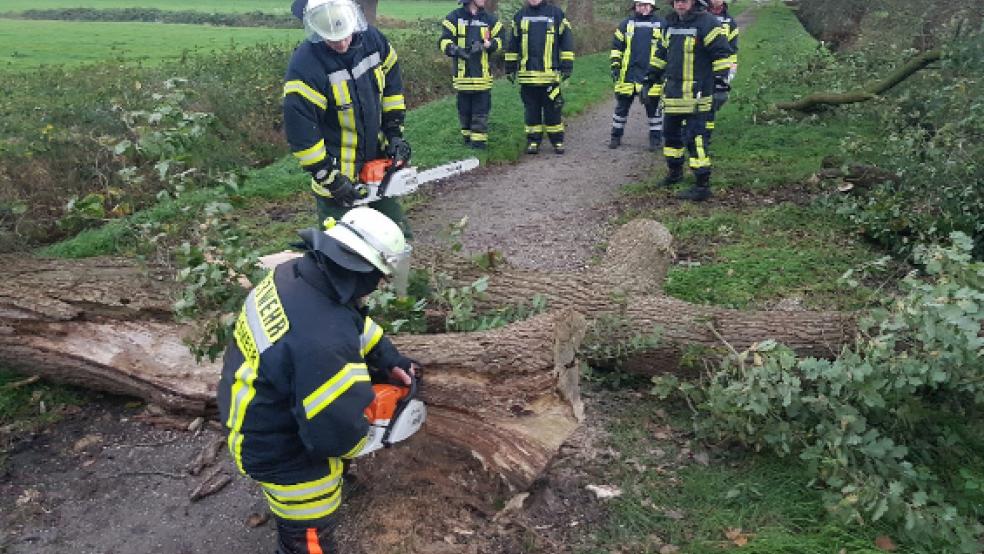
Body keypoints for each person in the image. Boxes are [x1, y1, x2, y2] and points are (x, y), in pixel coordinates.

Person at [217, 206, 419, 554]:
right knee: (307, 538)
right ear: (364, 271)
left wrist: (388, 358)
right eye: (380, 277)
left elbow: (352, 322)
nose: (379, 285)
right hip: (278, 449)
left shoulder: (296, 277)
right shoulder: (324, 341)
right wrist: (371, 435)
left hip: (249, 403)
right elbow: (333, 432)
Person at [283, 0, 413, 236]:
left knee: (396, 237)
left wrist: (394, 133)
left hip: (378, 166)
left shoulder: (373, 41)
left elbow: (392, 89)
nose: (342, 43)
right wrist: (329, 178)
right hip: (338, 177)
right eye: (333, 39)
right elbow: (302, 134)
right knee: (341, 248)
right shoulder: (305, 67)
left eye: (345, 35)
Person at [648, 0, 732, 201]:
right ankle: (674, 173)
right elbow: (660, 55)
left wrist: (721, 86)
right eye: (677, 1)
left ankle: (702, 184)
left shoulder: (707, 22)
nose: (680, 5)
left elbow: (721, 55)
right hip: (673, 94)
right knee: (671, 137)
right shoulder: (669, 24)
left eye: (684, 1)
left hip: (698, 95)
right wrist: (649, 79)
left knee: (696, 140)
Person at [504, 0, 575, 155]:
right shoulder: (520, 16)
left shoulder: (556, 14)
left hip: (550, 77)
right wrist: (510, 67)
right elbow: (513, 44)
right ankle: (533, 141)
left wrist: (567, 64)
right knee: (531, 111)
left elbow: (567, 40)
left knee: (553, 111)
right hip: (527, 77)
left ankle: (557, 141)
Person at [439, 0, 504, 150]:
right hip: (463, 77)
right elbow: (443, 40)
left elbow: (502, 38)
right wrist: (455, 50)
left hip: (482, 77)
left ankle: (479, 143)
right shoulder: (454, 17)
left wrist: (490, 45)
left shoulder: (489, 19)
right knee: (464, 111)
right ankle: (467, 139)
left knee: (481, 111)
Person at [608, 0, 665, 151]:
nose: (643, 8)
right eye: (640, 5)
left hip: (651, 76)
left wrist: (663, 71)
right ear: (635, 6)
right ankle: (615, 137)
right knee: (621, 109)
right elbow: (617, 46)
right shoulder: (626, 24)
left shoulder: (661, 24)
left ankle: (655, 140)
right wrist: (615, 65)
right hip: (628, 74)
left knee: (654, 110)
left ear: (652, 7)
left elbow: (667, 49)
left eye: (646, 5)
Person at [704, 0, 738, 147]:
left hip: (721, 66)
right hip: (701, 65)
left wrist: (731, 70)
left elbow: (732, 49)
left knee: (714, 102)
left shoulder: (730, 22)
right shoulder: (700, 13)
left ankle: (706, 136)